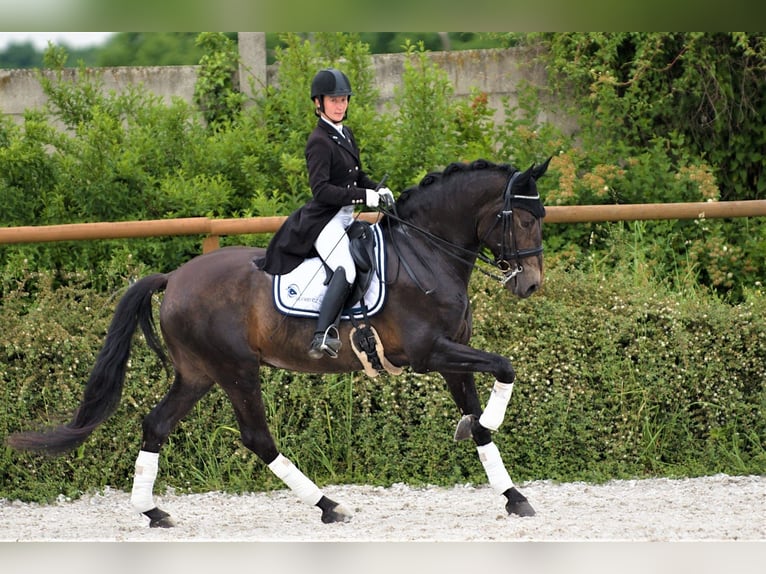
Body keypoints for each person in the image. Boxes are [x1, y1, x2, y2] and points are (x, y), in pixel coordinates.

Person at [256, 67, 394, 359]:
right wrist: (363, 196)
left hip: (345, 218)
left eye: (343, 99)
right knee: (347, 267)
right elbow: (322, 191)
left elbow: (358, 177)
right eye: (334, 100)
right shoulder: (318, 141)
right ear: (318, 103)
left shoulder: (346, 134)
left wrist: (378, 191)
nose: (340, 105)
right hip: (324, 222)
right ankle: (322, 334)